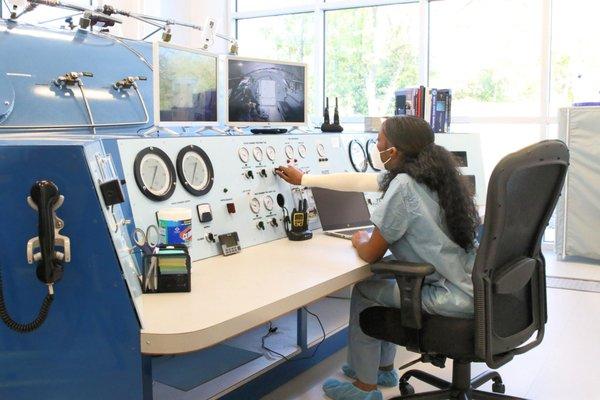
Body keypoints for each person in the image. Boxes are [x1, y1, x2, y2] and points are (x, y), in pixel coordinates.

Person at [275, 116, 480, 400]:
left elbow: (372, 253)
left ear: (393, 151)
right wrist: (305, 179)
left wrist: (360, 239)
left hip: (449, 295)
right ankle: (383, 368)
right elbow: (358, 180)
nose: (376, 146)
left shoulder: (404, 186)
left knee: (365, 291)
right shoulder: (435, 176)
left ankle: (364, 386)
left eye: (379, 142)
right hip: (468, 287)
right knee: (385, 278)